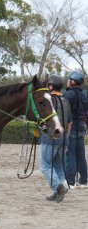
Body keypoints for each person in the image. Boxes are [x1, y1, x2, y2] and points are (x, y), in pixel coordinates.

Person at [39, 74, 72, 202]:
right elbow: (70, 122)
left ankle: (58, 187)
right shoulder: (66, 100)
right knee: (58, 166)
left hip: (50, 137)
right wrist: (66, 136)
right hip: (63, 138)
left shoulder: (49, 100)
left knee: (45, 166)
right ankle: (59, 190)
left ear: (51, 86)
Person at [64, 70, 88, 188]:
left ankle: (70, 182)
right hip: (81, 127)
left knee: (71, 155)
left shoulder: (68, 94)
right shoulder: (84, 95)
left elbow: (65, 112)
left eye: (69, 79)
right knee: (81, 155)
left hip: (71, 128)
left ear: (73, 81)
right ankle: (83, 181)